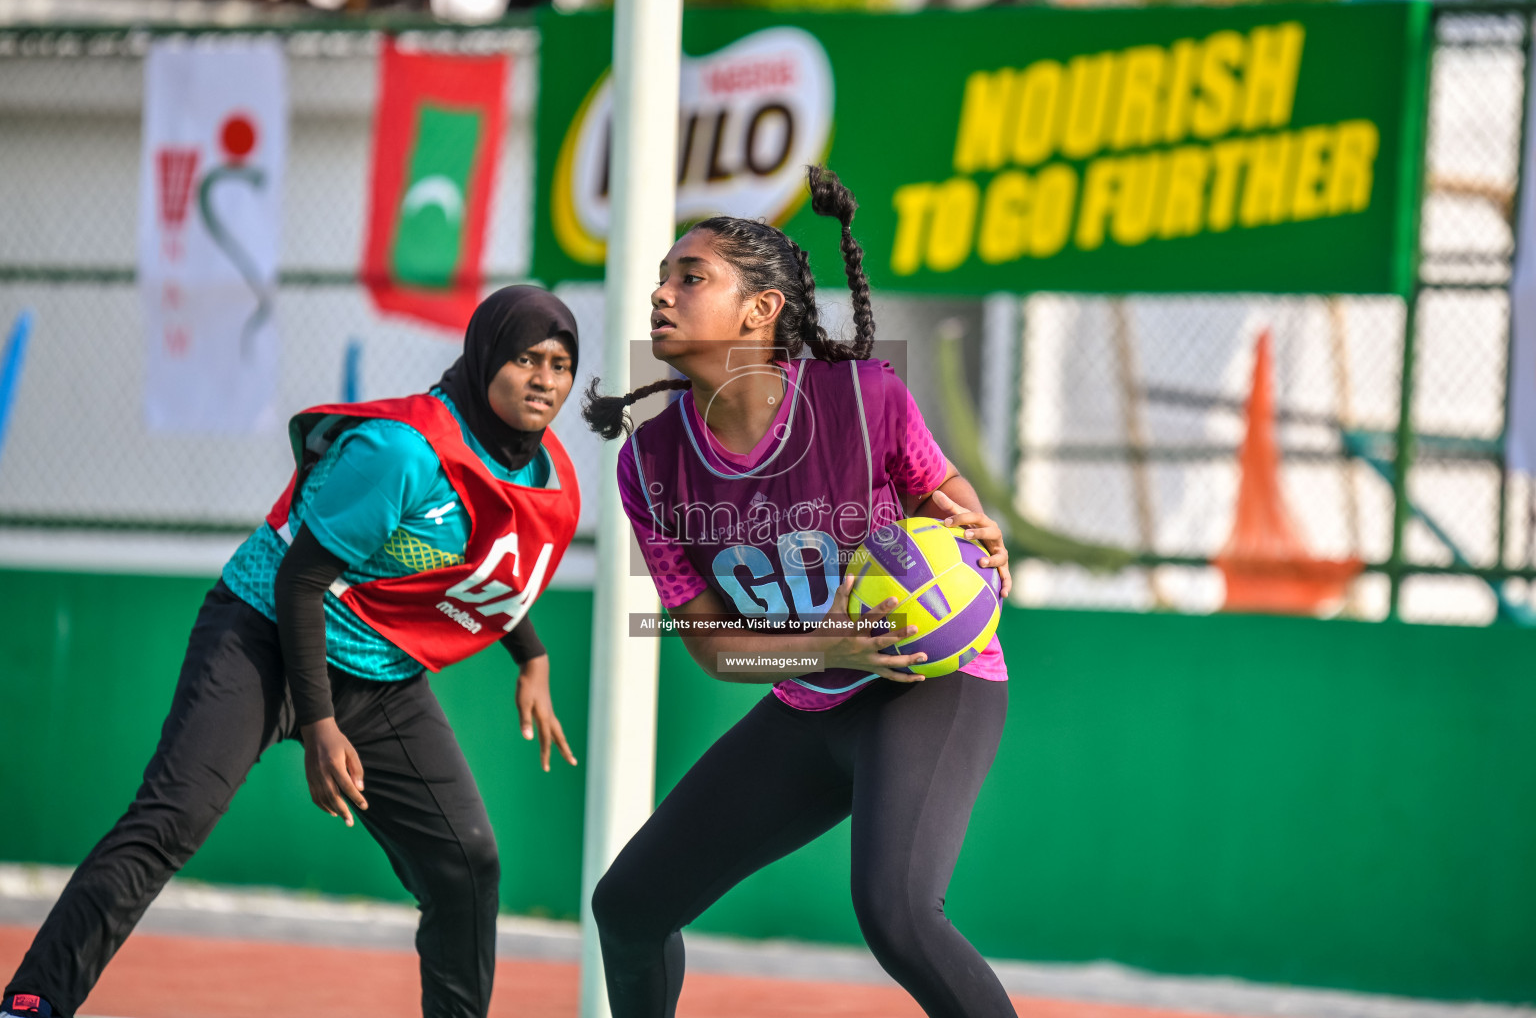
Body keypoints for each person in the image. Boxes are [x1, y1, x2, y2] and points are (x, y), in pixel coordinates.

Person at [2, 285, 584, 1018]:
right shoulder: (401, 451)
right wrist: (319, 726)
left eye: (560, 364)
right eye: (525, 359)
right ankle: (33, 1002)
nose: (544, 380)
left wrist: (530, 655)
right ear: (483, 356)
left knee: (468, 861)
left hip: (378, 673)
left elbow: (487, 562)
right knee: (169, 821)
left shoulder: (543, 473)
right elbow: (300, 579)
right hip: (262, 635)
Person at [581, 168, 1018, 1018]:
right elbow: (712, 646)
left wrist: (980, 527)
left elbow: (949, 502)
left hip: (927, 684)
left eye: (689, 277)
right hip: (811, 696)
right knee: (628, 909)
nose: (660, 295)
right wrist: (827, 650)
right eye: (662, 279)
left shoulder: (865, 402)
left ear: (760, 310)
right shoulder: (649, 463)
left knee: (897, 914)